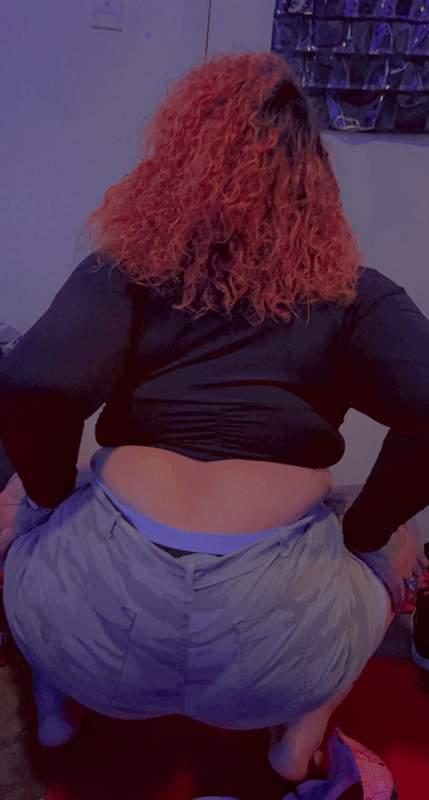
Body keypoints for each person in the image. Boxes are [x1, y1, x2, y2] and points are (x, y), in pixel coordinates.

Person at [0, 52, 428, 787]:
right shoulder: (353, 294)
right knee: (398, 540)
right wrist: (364, 536)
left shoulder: (124, 273)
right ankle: (301, 731)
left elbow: (34, 382)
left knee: (22, 507)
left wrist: (46, 497)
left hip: (95, 630)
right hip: (277, 650)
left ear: (172, 166)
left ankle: (54, 702)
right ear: (314, 181)